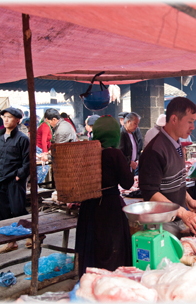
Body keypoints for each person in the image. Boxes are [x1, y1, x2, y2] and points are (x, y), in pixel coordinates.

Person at [139, 97, 196, 238]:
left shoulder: (177, 145)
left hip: (177, 221)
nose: (193, 127)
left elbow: (178, 182)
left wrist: (189, 200)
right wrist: (182, 212)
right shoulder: (154, 150)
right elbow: (150, 193)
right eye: (189, 121)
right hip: (162, 227)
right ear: (174, 119)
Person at [75, 115, 134, 277]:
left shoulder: (86, 152)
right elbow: (128, 183)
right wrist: (129, 166)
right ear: (115, 134)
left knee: (92, 247)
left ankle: (91, 283)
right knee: (111, 248)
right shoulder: (115, 154)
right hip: (110, 208)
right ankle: (110, 287)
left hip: (89, 207)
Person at [0, 107, 30, 254]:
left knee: (18, 209)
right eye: (4, 117)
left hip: (14, 179)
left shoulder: (22, 139)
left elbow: (28, 162)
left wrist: (19, 176)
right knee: (1, 213)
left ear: (17, 120)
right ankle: (10, 242)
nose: (6, 119)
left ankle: (32, 235)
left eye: (10, 117)